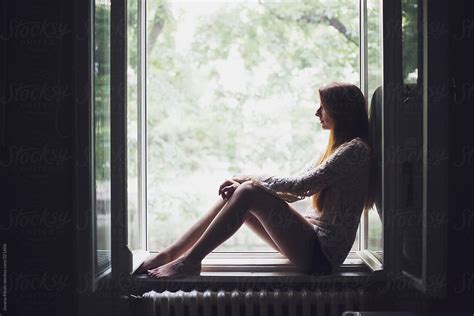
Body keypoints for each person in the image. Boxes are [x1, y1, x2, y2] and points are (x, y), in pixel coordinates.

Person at [136, 82, 376, 278]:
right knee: (242, 192)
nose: (316, 112)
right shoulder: (339, 148)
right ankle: (169, 255)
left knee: (248, 191)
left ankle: (189, 262)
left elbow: (301, 187)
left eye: (322, 107)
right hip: (313, 245)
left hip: (323, 256)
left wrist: (250, 179)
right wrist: (247, 182)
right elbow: (294, 188)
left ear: (340, 112)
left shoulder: (355, 149)